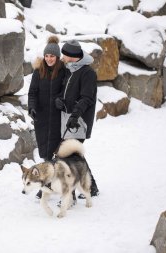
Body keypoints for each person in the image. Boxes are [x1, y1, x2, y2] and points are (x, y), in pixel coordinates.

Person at [55, 39, 100, 199]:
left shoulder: (87, 73)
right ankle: (91, 187)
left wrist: (75, 115)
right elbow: (65, 92)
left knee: (70, 154)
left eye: (64, 54)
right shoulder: (70, 70)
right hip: (67, 118)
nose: (62, 57)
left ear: (71, 56)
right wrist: (60, 99)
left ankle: (73, 191)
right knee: (75, 154)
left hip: (79, 120)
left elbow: (86, 98)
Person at [28, 36, 66, 198]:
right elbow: (32, 93)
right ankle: (45, 186)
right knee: (45, 153)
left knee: (60, 153)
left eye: (52, 56)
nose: (49, 59)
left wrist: (61, 99)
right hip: (42, 118)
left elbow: (66, 90)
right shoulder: (38, 72)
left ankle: (62, 184)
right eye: (47, 56)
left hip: (58, 117)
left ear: (57, 57)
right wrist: (32, 108)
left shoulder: (64, 71)